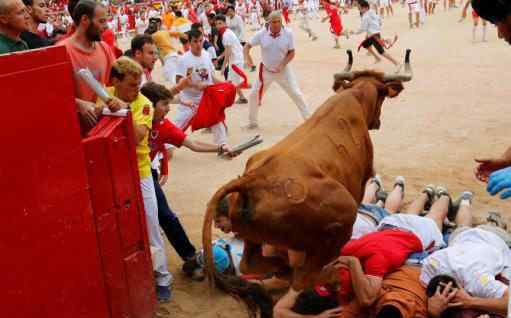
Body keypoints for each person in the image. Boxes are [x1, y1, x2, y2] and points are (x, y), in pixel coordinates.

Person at [104, 57, 172, 302]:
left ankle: (162, 278)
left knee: (152, 223)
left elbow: (137, 136)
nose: (137, 90)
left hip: (140, 171)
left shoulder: (143, 104)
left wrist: (121, 108)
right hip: (111, 171)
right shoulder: (104, 94)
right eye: (132, 85)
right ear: (115, 82)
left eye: (139, 84)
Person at [421, 201, 510, 318]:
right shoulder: (429, 266)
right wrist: (433, 312)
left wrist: (470, 301)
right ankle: (465, 201)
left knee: (486, 227)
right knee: (462, 225)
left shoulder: (477, 281)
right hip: (462, 237)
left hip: (496, 239)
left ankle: (492, 221)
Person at [244, 11, 311, 129]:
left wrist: (282, 65)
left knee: (296, 93)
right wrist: (247, 58)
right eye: (273, 22)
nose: (276, 24)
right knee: (253, 94)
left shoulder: (288, 33)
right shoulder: (261, 33)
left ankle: (309, 120)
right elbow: (247, 46)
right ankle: (252, 122)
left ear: (281, 21)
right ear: (269, 22)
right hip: (265, 71)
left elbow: (292, 52)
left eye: (278, 21)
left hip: (284, 71)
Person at [59, 0, 118, 133]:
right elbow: (53, 93)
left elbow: (115, 83)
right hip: (73, 131)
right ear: (85, 19)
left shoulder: (104, 48)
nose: (106, 26)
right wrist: (78, 104)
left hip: (102, 127)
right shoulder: (61, 51)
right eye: (101, 21)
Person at [173, 29, 229, 145]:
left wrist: (224, 84)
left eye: (200, 41)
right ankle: (164, 147)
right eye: (195, 41)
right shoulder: (184, 59)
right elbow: (178, 81)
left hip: (206, 98)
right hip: (190, 100)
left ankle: (222, 146)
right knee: (177, 127)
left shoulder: (206, 55)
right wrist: (195, 85)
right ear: (189, 43)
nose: (198, 44)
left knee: (217, 121)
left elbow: (211, 77)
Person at [351, 0, 400, 67]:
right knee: (365, 44)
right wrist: (378, 24)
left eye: (360, 8)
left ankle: (397, 63)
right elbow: (379, 19)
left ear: (366, 8)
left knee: (382, 52)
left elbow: (363, 29)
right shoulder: (371, 11)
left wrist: (354, 32)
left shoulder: (366, 17)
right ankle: (377, 58)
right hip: (373, 34)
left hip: (374, 35)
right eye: (358, 8)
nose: (359, 10)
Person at [215, 15, 249, 104]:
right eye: (217, 24)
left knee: (232, 82)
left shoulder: (226, 35)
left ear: (225, 23)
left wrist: (223, 66)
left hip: (236, 60)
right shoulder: (227, 32)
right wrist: (220, 57)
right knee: (231, 81)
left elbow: (228, 52)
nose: (218, 26)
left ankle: (238, 97)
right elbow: (228, 50)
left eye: (220, 23)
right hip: (235, 59)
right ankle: (242, 97)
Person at [148, 19, 182, 84]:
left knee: (172, 80)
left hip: (169, 58)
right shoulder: (164, 32)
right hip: (175, 54)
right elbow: (177, 33)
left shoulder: (152, 37)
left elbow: (155, 52)